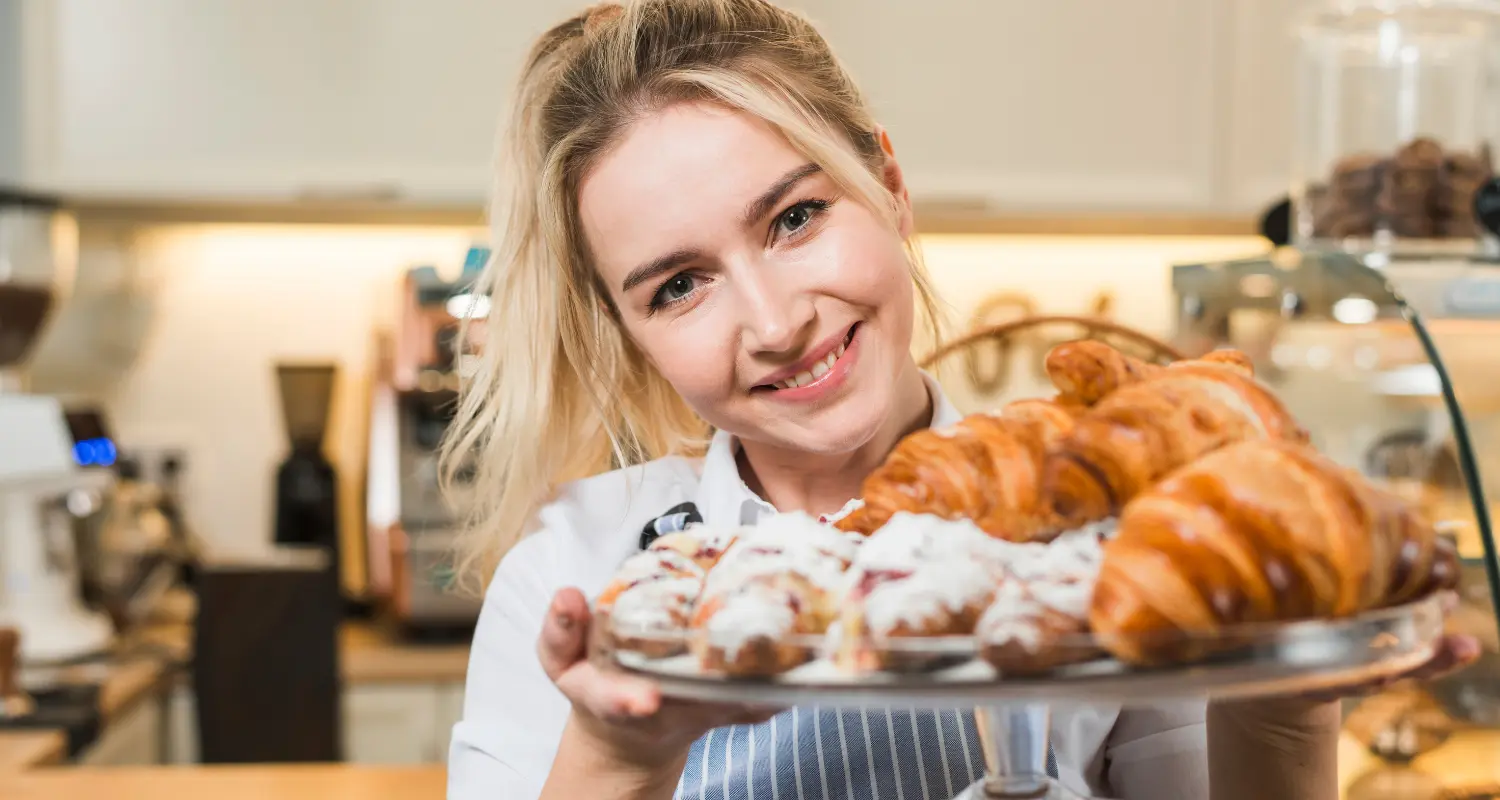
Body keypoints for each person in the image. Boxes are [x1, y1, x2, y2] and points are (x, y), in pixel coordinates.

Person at [442, 2, 1480, 798]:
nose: (773, 321)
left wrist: (1292, 696)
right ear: (631, 331)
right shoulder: (577, 579)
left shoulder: (1120, 543)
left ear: (889, 184)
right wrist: (619, 751)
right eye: (679, 284)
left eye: (796, 217)